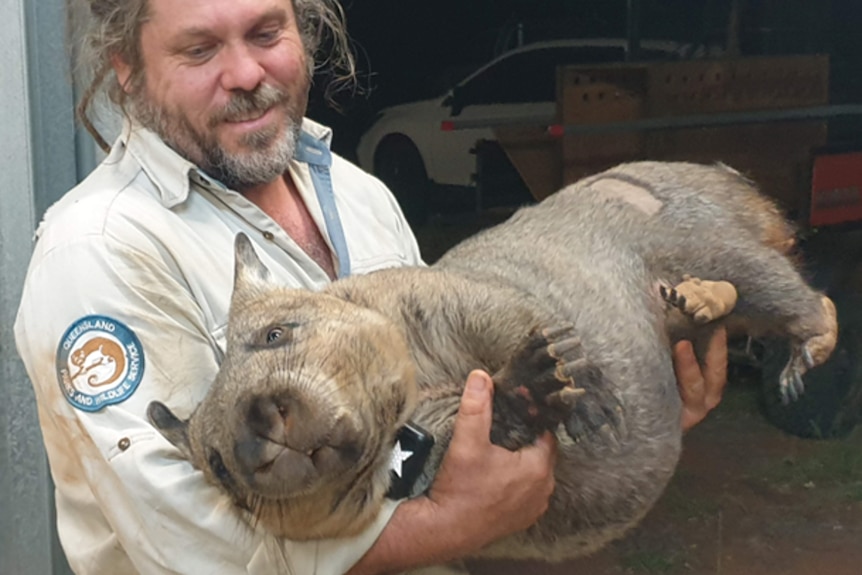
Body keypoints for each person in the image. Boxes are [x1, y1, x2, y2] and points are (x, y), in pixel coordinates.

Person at [14, 0, 728, 573]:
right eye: (199, 49)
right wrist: (452, 521)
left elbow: (430, 426)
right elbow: (189, 552)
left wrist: (622, 406)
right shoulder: (103, 250)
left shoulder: (357, 194)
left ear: (305, 29)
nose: (244, 72)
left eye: (267, 32)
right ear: (128, 70)